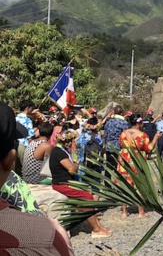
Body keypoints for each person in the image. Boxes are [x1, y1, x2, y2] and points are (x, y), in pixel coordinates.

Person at [0, 102, 75, 255]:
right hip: (37, 178)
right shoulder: (43, 240)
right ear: (9, 159)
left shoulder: (33, 143)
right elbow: (47, 167)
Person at [50, 129, 112, 238]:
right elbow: (72, 169)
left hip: (67, 181)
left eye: (71, 140)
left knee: (88, 195)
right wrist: (76, 163)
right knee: (87, 197)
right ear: (64, 142)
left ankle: (98, 225)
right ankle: (96, 229)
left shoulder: (64, 151)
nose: (71, 143)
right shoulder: (59, 152)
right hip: (61, 183)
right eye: (68, 141)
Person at [117, 117, 162, 218]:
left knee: (124, 185)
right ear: (139, 123)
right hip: (137, 161)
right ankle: (141, 212)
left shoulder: (123, 133)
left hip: (124, 161)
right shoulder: (143, 135)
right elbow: (149, 149)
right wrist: (156, 138)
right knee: (139, 186)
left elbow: (120, 145)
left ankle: (124, 212)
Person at [103, 105, 129, 171]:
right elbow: (126, 136)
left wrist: (105, 145)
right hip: (119, 148)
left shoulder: (108, 122)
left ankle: (107, 181)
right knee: (119, 167)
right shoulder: (124, 123)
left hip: (109, 147)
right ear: (122, 113)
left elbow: (105, 135)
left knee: (108, 167)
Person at [14, 100, 36, 176]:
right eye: (31, 108)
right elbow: (30, 137)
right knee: (25, 167)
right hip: (24, 145)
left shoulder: (15, 118)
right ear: (27, 108)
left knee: (17, 168)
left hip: (15, 144)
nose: (32, 110)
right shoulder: (27, 120)